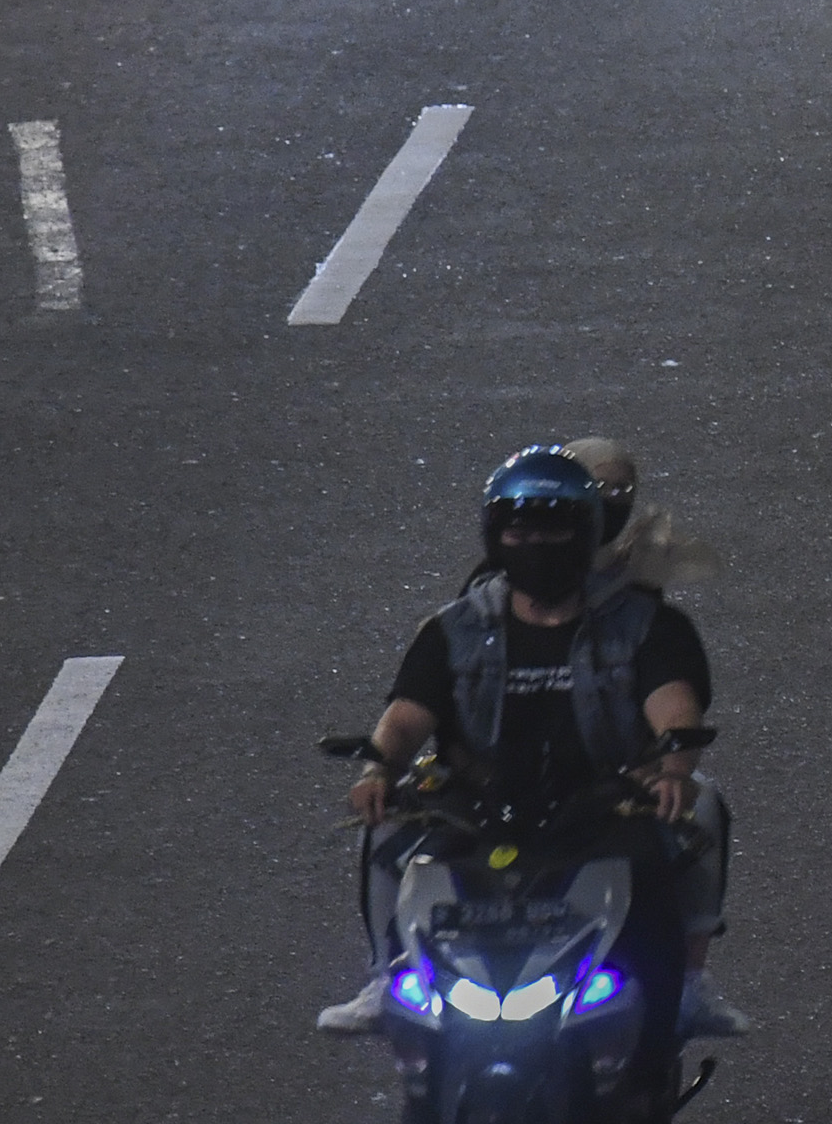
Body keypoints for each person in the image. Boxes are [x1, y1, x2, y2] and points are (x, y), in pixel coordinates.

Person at [316, 446, 743, 1061]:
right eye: (520, 531)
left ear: (586, 533)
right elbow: (408, 715)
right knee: (384, 830)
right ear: (495, 536)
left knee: (701, 811)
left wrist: (673, 769)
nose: (535, 545)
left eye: (552, 530)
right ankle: (387, 978)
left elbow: (673, 705)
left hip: (606, 803)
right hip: (477, 804)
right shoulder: (457, 627)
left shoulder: (645, 625)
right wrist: (378, 767)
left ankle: (687, 987)